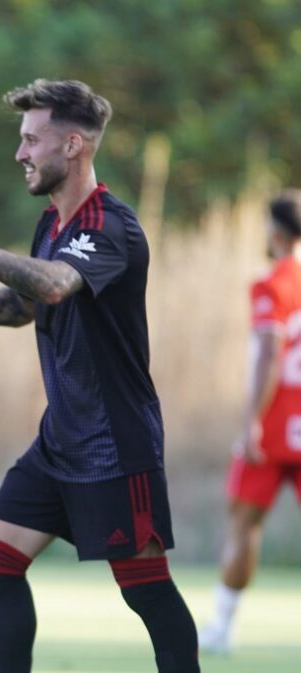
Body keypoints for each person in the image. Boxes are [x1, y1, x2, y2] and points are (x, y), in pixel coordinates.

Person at [0, 78, 198, 673]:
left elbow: (55, 284)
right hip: (60, 441)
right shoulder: (50, 226)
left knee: (147, 591)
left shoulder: (112, 224)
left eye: (33, 140)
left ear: (75, 145)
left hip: (115, 445)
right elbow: (22, 306)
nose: (20, 153)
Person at [198, 190, 301, 655]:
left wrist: (251, 421)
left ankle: (221, 628)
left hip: (277, 421)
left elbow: (270, 351)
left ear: (275, 231)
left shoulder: (272, 283)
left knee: (244, 524)